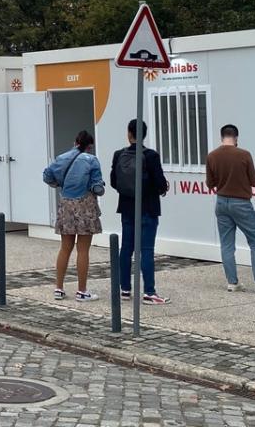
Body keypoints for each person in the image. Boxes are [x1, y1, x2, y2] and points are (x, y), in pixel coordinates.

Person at [110, 119, 170, 305]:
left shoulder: (119, 154)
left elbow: (114, 181)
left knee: (126, 249)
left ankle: (125, 290)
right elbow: (160, 183)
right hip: (148, 208)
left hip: (127, 208)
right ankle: (149, 292)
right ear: (144, 134)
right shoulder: (151, 156)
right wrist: (161, 188)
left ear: (129, 134)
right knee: (146, 251)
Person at [207, 124, 255, 293]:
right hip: (241, 203)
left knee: (227, 245)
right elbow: (254, 180)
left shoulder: (212, 156)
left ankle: (232, 283)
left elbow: (210, 183)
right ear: (236, 138)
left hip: (221, 203)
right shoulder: (244, 155)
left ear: (222, 137)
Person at [42, 130, 104, 302]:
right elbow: (97, 186)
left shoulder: (61, 158)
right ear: (89, 146)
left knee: (65, 247)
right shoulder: (92, 160)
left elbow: (47, 176)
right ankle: (82, 291)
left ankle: (59, 288)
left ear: (75, 142)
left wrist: (59, 184)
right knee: (83, 250)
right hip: (85, 206)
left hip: (66, 205)